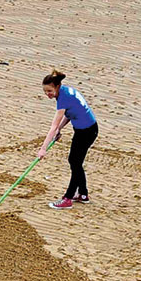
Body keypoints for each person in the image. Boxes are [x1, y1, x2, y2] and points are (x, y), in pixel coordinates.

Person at [37, 70, 97, 209]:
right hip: (85, 130)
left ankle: (68, 199)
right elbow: (70, 113)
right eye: (45, 91)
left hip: (87, 132)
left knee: (75, 163)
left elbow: (53, 127)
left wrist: (43, 149)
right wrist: (60, 129)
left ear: (57, 87)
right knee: (75, 161)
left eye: (50, 91)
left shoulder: (63, 98)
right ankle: (83, 194)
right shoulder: (65, 92)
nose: (48, 94)